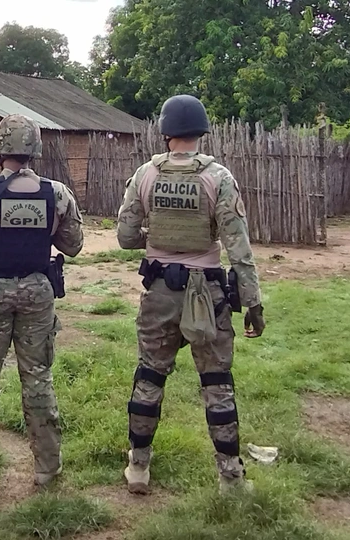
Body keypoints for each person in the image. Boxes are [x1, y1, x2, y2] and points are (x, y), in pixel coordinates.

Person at [116, 94, 264, 495]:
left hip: (161, 290)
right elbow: (238, 246)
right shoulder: (218, 178)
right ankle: (230, 477)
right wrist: (252, 301)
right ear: (201, 132)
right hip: (209, 293)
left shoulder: (145, 175)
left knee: (149, 374)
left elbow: (126, 236)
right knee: (217, 382)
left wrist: (155, 235)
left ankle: (139, 468)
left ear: (165, 133)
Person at [0, 114, 84, 489]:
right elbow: (73, 246)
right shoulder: (56, 194)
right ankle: (47, 467)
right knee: (39, 378)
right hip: (39, 293)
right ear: (35, 150)